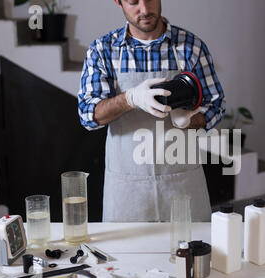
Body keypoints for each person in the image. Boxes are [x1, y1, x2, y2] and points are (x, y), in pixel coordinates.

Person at [78, 0, 225, 222]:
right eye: (133, 2)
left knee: (189, 254)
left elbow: (216, 104)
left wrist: (190, 120)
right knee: (130, 256)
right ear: (118, 2)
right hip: (127, 191)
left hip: (183, 185)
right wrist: (131, 98)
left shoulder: (190, 47)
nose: (145, 10)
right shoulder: (103, 50)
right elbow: (89, 115)